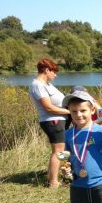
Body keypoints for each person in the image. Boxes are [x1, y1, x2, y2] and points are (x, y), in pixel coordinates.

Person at [29, 58, 71, 188]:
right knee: (58, 151)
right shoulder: (38, 85)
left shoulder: (46, 84)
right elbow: (48, 107)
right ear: (46, 70)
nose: (55, 75)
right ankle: (53, 182)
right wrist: (70, 112)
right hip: (53, 121)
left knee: (60, 150)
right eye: (54, 71)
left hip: (57, 120)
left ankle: (51, 176)